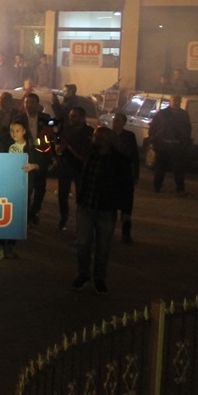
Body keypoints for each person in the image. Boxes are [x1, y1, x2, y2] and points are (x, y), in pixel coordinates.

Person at [72, 126, 134, 295]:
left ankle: (99, 278)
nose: (96, 140)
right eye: (95, 136)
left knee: (103, 247)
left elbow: (127, 187)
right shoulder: (90, 155)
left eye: (100, 137)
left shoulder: (119, 160)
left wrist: (126, 212)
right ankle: (83, 275)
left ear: (109, 141)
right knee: (83, 244)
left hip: (106, 208)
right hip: (86, 206)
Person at [0, 120, 44, 260]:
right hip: (5, 184)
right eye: (12, 130)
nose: (14, 133)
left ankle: (10, 246)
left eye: (17, 130)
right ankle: (0, 246)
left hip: (24, 186)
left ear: (24, 131)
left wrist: (34, 165)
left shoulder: (33, 144)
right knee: (3, 213)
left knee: (17, 215)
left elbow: (43, 162)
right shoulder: (6, 143)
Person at [13, 93, 54, 225]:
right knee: (27, 187)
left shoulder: (45, 118)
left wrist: (37, 143)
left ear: (37, 104)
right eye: (27, 102)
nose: (29, 105)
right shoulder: (19, 118)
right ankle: (25, 213)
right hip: (25, 157)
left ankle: (35, 211)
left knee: (40, 187)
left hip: (41, 157)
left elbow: (49, 137)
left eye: (32, 102)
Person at [53, 106, 94, 231]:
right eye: (70, 116)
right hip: (65, 166)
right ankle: (64, 217)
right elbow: (58, 145)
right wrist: (58, 149)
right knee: (62, 195)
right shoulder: (66, 129)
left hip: (80, 168)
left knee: (81, 197)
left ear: (82, 117)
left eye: (74, 116)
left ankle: (80, 223)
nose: (71, 118)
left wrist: (68, 147)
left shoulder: (89, 131)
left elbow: (85, 153)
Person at [150, 94, 192, 196]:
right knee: (160, 168)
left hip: (177, 145)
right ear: (170, 101)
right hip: (163, 144)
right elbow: (153, 128)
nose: (176, 103)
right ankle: (157, 187)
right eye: (175, 101)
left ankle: (180, 189)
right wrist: (154, 142)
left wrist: (185, 143)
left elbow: (187, 129)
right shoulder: (162, 114)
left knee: (178, 169)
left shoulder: (183, 115)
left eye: (178, 101)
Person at [109, 111, 140, 244]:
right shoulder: (108, 135)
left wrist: (135, 174)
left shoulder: (129, 136)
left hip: (125, 175)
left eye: (118, 120)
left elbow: (134, 156)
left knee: (126, 206)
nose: (114, 122)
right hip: (111, 174)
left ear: (123, 123)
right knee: (110, 206)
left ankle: (126, 232)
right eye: (114, 120)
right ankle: (108, 232)